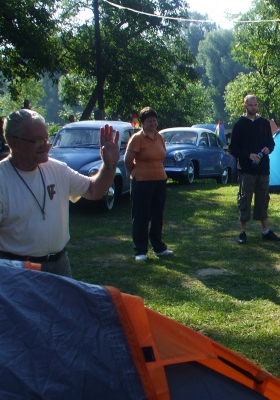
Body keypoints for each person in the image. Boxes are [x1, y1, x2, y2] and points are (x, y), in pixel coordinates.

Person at [0, 109, 120, 277]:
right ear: (13, 142)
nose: (46, 145)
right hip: (18, 271)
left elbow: (94, 190)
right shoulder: (3, 178)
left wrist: (109, 165)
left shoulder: (57, 169)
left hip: (60, 265)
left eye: (47, 138)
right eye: (37, 140)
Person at [229, 94, 280, 244]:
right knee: (245, 199)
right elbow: (233, 148)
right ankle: (243, 232)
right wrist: (248, 155)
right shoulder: (239, 125)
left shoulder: (264, 123)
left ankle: (266, 231)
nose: (254, 107)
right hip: (247, 170)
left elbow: (271, 143)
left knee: (263, 200)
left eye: (255, 105)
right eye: (251, 105)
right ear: (245, 106)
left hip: (263, 169)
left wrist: (268, 149)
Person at [124, 107, 173, 261]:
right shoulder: (137, 138)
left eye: (154, 120)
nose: (153, 123)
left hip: (160, 180)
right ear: (142, 123)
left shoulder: (159, 137)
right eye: (149, 121)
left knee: (157, 215)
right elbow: (127, 160)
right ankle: (140, 250)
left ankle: (159, 248)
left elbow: (162, 155)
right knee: (141, 216)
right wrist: (136, 172)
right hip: (142, 182)